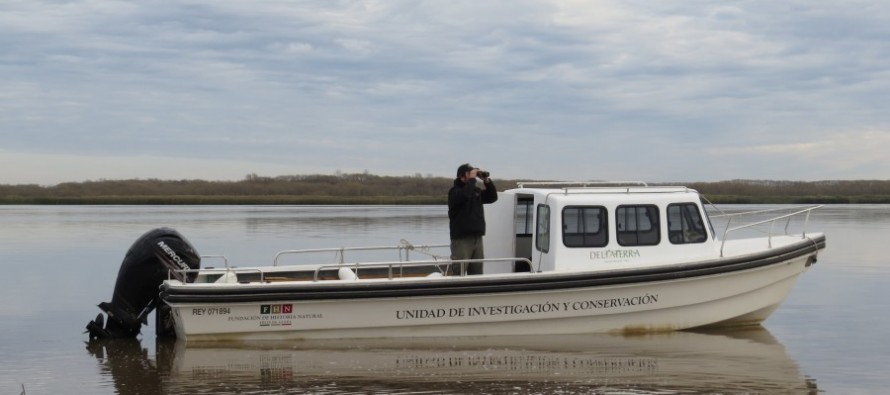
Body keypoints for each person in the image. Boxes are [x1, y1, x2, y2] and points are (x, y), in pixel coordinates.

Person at [448, 163, 498, 275]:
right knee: (458, 272)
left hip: (477, 238)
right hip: (461, 239)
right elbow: (464, 195)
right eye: (469, 173)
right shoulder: (454, 192)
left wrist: (486, 180)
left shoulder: (475, 191)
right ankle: (456, 291)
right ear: (462, 176)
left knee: (477, 273)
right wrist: (472, 180)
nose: (473, 176)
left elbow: (492, 197)